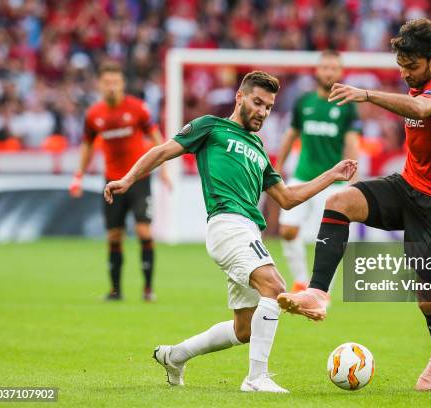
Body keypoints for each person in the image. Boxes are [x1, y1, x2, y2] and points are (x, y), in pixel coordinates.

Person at [104, 71, 357, 393]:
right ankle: (255, 379)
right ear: (240, 98)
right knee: (274, 285)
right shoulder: (210, 126)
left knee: (245, 329)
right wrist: (127, 179)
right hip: (227, 224)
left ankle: (175, 356)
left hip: (249, 230)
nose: (263, 112)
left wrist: (332, 175)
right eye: (257, 102)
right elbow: (162, 151)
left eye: (268, 107)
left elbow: (288, 199)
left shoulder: (259, 149)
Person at [277, 18, 431, 391]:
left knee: (429, 301)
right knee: (339, 201)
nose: (404, 74)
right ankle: (318, 294)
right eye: (400, 65)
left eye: (412, 67)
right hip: (408, 186)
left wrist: (367, 94)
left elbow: (420, 110)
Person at [69, 61, 171, 302]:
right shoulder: (94, 115)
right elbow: (87, 146)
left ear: (122, 84)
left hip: (139, 179)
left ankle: (148, 289)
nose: (111, 87)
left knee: (143, 230)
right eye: (107, 83)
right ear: (100, 85)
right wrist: (78, 175)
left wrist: (164, 169)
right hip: (112, 182)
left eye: (115, 82)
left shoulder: (137, 109)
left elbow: (156, 136)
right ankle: (115, 292)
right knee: (114, 236)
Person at [276, 50, 360, 292]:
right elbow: (290, 135)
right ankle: (302, 281)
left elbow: (352, 142)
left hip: (333, 183)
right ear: (317, 71)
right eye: (325, 68)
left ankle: (322, 292)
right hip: (302, 177)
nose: (329, 72)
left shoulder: (347, 106)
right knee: (288, 230)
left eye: (333, 68)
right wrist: (278, 167)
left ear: (340, 72)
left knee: (327, 238)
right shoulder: (304, 102)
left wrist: (353, 180)